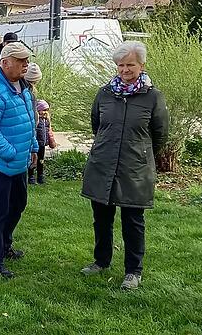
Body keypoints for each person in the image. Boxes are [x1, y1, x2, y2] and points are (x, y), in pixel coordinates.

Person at [80, 41, 169, 291]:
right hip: (102, 163)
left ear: (141, 65)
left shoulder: (152, 97)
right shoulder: (104, 93)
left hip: (135, 168)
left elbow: (160, 135)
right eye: (120, 65)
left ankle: (133, 271)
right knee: (101, 218)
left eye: (130, 64)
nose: (125, 70)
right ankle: (101, 261)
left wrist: (140, 154)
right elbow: (97, 126)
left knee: (133, 221)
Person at [0, 41, 39, 278]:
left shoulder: (22, 85)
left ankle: (5, 245)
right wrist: (12, 153)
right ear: (5, 63)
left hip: (19, 164)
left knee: (18, 206)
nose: (26, 64)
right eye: (21, 61)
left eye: (26, 60)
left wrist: (33, 147)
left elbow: (28, 120)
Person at [28, 100, 53, 185]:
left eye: (46, 110)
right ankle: (31, 175)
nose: (45, 112)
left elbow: (49, 132)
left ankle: (40, 175)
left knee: (41, 160)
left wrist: (51, 141)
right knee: (33, 159)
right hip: (35, 144)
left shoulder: (46, 121)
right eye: (43, 110)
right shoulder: (36, 121)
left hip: (42, 144)